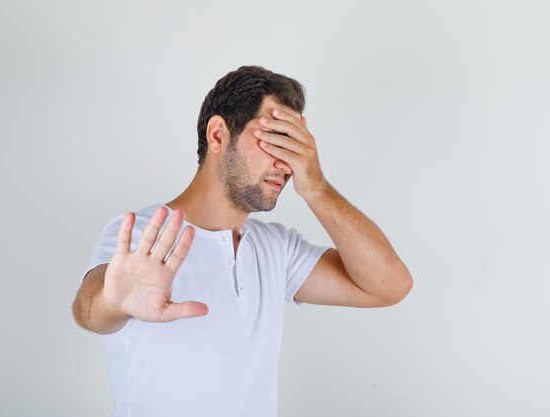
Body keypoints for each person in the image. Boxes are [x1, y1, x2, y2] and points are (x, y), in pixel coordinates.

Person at [72, 65, 413, 417]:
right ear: (219, 135)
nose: (287, 163)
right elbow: (88, 309)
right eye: (277, 139)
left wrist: (316, 187)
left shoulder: (277, 248)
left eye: (296, 146)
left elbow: (389, 286)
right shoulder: (144, 233)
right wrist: (114, 303)